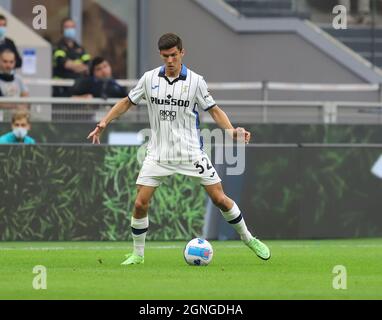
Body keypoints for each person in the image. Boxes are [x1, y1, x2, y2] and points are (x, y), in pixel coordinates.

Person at [87, 33, 271, 265]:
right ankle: (138, 255)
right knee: (140, 203)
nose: (170, 60)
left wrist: (232, 131)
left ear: (182, 53)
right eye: (166, 56)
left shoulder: (196, 81)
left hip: (191, 152)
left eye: (174, 55)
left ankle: (249, 239)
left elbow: (214, 110)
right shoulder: (149, 79)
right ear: (161, 56)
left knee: (219, 199)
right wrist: (104, 122)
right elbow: (126, 102)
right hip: (159, 153)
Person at [53, 18, 91, 97]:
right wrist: (80, 66)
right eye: (67, 27)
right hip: (62, 90)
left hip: (78, 88)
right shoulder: (58, 47)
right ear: (62, 30)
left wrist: (72, 65)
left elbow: (88, 65)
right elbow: (63, 63)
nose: (70, 30)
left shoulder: (80, 48)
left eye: (72, 27)